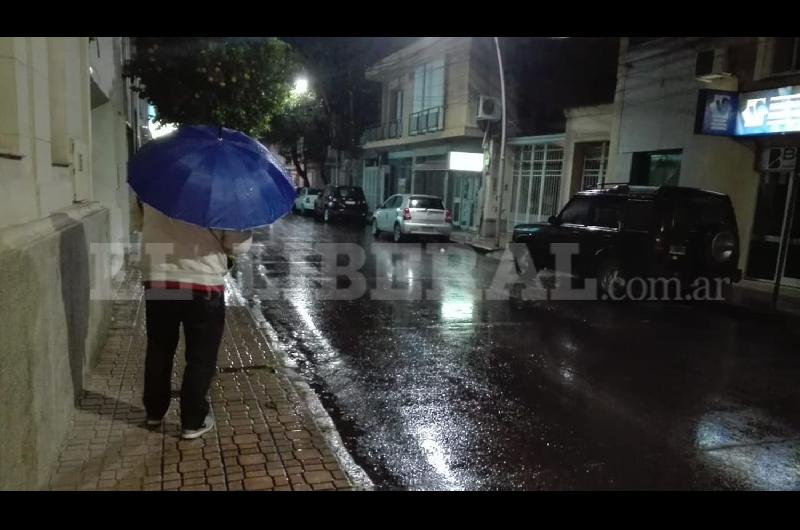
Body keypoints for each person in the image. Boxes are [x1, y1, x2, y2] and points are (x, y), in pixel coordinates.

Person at [139, 203, 252, 439]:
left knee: (159, 347)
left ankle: (154, 411)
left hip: (159, 279)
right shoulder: (220, 194)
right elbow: (238, 246)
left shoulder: (152, 186)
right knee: (201, 356)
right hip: (203, 283)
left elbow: (137, 223)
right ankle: (192, 420)